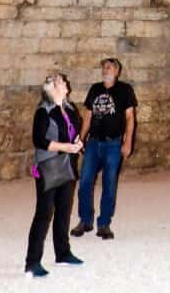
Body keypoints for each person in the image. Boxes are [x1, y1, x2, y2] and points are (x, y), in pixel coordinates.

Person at [25, 73, 84, 277]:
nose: (66, 83)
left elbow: (73, 132)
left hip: (66, 164)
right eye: (61, 82)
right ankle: (32, 263)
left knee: (64, 210)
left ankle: (63, 253)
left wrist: (77, 143)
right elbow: (39, 140)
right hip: (48, 165)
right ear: (51, 88)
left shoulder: (69, 109)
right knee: (43, 214)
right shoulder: (43, 111)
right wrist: (65, 147)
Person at [71, 57, 137, 240]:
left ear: (117, 71)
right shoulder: (95, 89)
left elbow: (130, 118)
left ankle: (104, 223)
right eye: (103, 67)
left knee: (109, 183)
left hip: (113, 144)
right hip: (93, 143)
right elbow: (88, 117)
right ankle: (85, 220)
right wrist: (80, 139)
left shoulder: (125, 90)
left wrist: (128, 142)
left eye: (109, 67)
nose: (105, 70)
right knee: (85, 181)